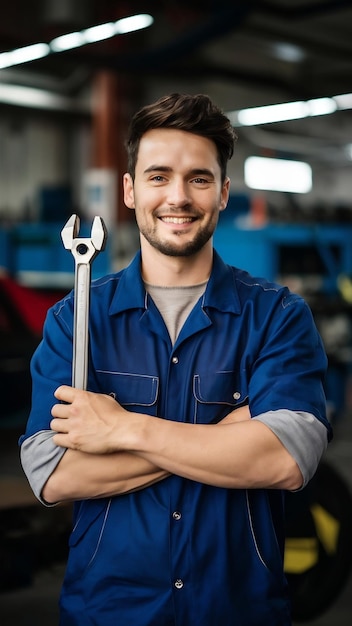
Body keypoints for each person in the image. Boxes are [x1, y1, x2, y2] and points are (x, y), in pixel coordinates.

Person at [20, 93, 332, 626]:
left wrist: (122, 429)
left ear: (224, 192)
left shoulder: (278, 316)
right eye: (159, 176)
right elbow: (53, 474)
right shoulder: (77, 321)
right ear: (130, 190)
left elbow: (286, 460)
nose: (179, 198)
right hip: (111, 609)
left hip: (237, 608)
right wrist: (228, 432)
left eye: (199, 179)